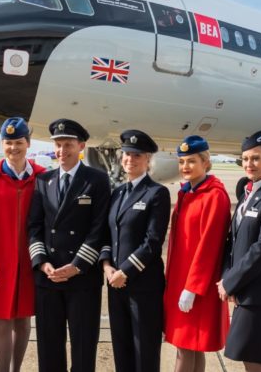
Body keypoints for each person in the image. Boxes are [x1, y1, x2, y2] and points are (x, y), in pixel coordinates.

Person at [27, 118, 111, 372]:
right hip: (49, 278)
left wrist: (76, 266)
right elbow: (34, 227)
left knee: (83, 345)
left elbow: (99, 228)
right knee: (49, 346)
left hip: (82, 278)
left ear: (81, 145)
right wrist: (42, 264)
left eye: (68, 145)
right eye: (58, 145)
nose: (62, 151)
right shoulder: (44, 181)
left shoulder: (96, 180)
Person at [0, 117, 46, 372]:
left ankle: (16, 369)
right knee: (1, 321)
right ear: (1, 144)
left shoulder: (42, 177)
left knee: (23, 320)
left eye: (18, 142)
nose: (13, 148)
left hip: (29, 261)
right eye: (8, 142)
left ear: (28, 143)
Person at [217, 130, 261, 372]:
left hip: (258, 293)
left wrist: (231, 282)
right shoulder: (247, 194)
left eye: (256, 158)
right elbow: (233, 241)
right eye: (246, 158)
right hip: (246, 290)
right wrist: (228, 278)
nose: (250, 163)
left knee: (252, 356)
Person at [100, 129, 171, 372]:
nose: (130, 159)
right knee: (121, 347)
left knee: (145, 351)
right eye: (127, 154)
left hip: (143, 286)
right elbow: (108, 235)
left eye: (137, 155)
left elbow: (152, 242)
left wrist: (125, 271)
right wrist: (108, 266)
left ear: (148, 159)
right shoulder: (118, 193)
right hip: (115, 284)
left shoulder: (157, 193)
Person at [164, 135, 231, 372]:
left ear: (206, 162)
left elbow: (209, 246)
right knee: (191, 347)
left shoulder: (214, 195)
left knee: (185, 348)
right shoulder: (187, 192)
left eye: (191, 161)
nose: (185, 167)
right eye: (182, 162)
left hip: (195, 286)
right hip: (180, 282)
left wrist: (192, 288)